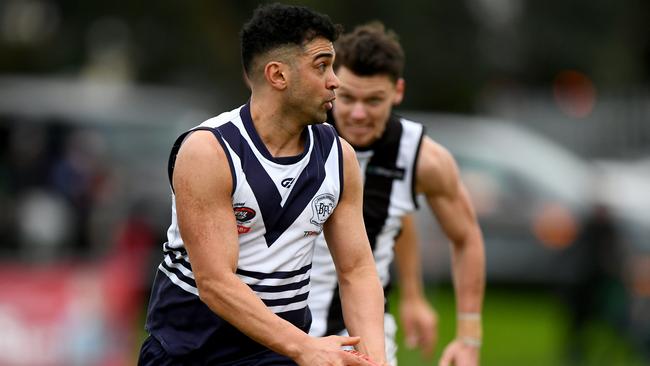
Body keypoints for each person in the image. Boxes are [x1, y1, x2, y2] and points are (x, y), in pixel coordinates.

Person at [138, 4, 387, 365]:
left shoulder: (339, 157)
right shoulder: (210, 151)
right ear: (277, 75)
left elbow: (357, 270)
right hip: (189, 352)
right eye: (322, 66)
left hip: (277, 354)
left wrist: (375, 359)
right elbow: (216, 284)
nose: (336, 81)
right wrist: (304, 346)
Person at [307, 22, 486, 366]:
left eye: (374, 100)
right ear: (332, 86)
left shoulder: (423, 159)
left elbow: (465, 236)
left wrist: (468, 337)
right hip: (279, 325)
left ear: (398, 92)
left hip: (359, 334)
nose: (358, 114)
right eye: (347, 98)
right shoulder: (301, 134)